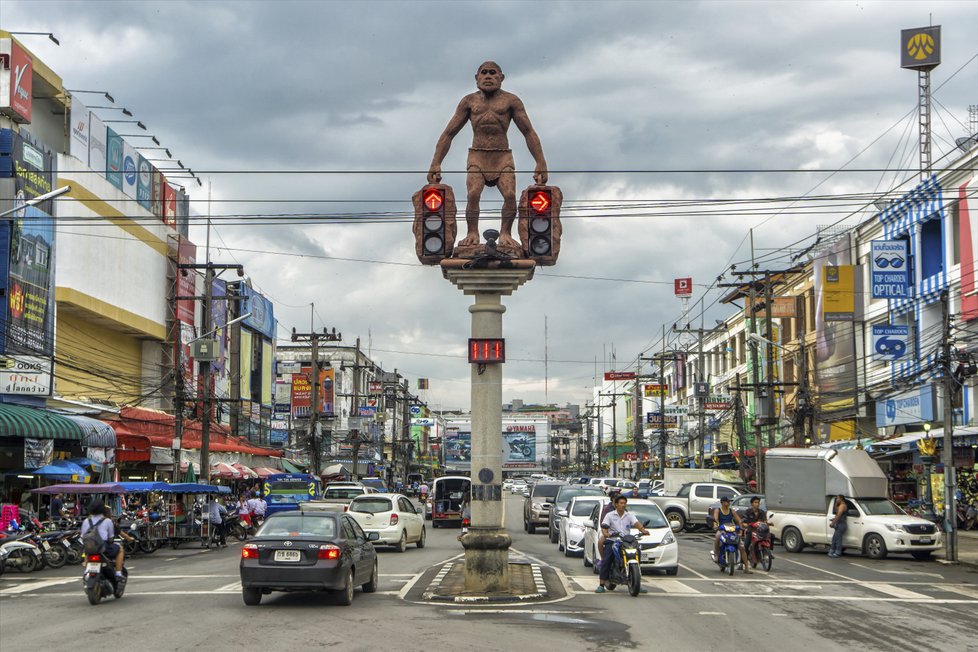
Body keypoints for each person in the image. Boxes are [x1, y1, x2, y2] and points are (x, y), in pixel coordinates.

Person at [427, 61, 549, 255]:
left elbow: (528, 132)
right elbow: (449, 133)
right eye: (484, 73)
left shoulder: (511, 101)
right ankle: (472, 232)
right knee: (473, 193)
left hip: (502, 157)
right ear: (477, 78)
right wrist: (436, 162)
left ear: (501, 77)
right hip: (478, 155)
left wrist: (540, 162)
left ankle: (505, 234)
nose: (488, 76)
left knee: (510, 195)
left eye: (493, 73)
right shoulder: (469, 101)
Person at [595, 494, 650, 593]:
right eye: (621, 503)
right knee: (607, 559)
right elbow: (604, 526)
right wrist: (606, 533)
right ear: (616, 504)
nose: (623, 505)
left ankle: (637, 582)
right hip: (613, 540)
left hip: (626, 541)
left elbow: (636, 523)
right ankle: (601, 584)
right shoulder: (610, 515)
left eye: (625, 503)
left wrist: (643, 530)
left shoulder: (629, 515)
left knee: (637, 554)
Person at [80, 501, 132, 584]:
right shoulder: (107, 521)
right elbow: (110, 538)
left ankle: (86, 573)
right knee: (120, 549)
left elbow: (82, 536)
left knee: (87, 553)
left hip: (89, 547)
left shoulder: (86, 521)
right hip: (103, 547)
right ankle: (118, 573)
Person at [712, 495, 750, 573]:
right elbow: (715, 519)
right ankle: (716, 554)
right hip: (722, 529)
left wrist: (740, 527)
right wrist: (716, 525)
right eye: (727, 502)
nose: (728, 503)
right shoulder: (717, 510)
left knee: (741, 547)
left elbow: (739, 520)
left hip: (732, 530)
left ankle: (746, 567)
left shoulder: (732, 511)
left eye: (729, 502)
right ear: (722, 502)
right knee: (717, 537)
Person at [740, 496, 769, 566]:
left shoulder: (762, 512)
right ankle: (741, 563)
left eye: (758, 502)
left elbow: (765, 521)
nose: (757, 504)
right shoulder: (748, 512)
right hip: (750, 531)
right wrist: (746, 525)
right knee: (746, 546)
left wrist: (767, 523)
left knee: (770, 537)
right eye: (755, 502)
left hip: (760, 532)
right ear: (752, 503)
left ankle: (766, 553)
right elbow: (743, 522)